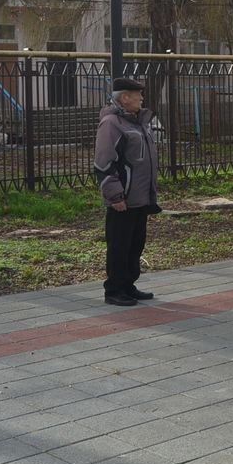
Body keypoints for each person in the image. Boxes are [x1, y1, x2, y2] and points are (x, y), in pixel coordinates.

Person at [93, 77, 162, 306]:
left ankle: (128, 285)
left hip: (140, 197)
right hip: (122, 199)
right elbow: (104, 162)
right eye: (138, 95)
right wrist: (115, 195)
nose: (142, 99)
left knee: (136, 243)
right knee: (119, 245)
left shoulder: (138, 122)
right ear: (124, 97)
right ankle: (114, 289)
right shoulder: (112, 123)